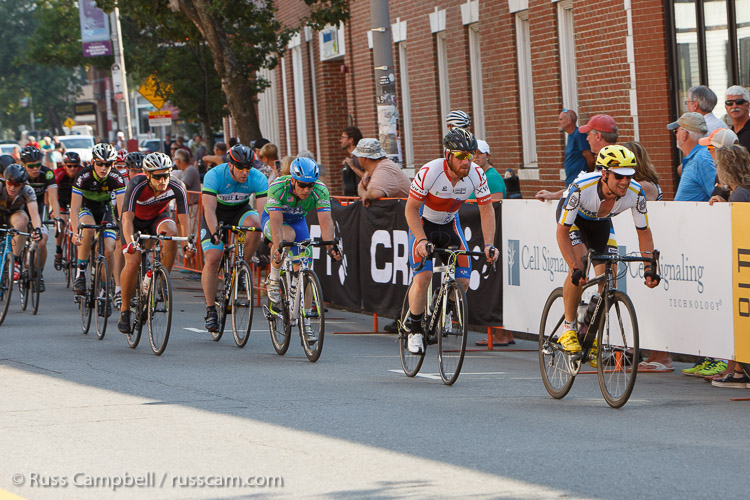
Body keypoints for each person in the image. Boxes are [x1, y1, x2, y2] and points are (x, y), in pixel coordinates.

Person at [555, 145, 660, 363]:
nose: (625, 182)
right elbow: (562, 232)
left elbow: (644, 232)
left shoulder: (636, 192)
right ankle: (568, 328)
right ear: (604, 174)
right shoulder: (581, 188)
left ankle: (589, 329)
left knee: (609, 279)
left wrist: (649, 267)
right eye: (619, 176)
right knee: (580, 265)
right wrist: (573, 265)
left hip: (601, 222)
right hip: (574, 222)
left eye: (629, 176)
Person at [404, 128, 499, 354]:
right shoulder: (430, 171)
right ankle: (415, 330)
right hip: (423, 224)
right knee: (423, 277)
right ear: (448, 155)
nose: (467, 161)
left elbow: (487, 209)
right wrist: (421, 239)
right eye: (461, 156)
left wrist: (489, 244)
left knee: (464, 280)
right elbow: (410, 209)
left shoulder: (477, 174)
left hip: (449, 225)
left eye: (470, 155)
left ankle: (443, 306)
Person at [262, 157, 341, 341]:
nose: (306, 190)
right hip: (273, 220)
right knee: (286, 237)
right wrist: (278, 247)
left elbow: (326, 220)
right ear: (293, 180)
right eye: (302, 185)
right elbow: (276, 222)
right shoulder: (278, 187)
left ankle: (306, 324)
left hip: (298, 222)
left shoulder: (320, 190)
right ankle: (274, 278)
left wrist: (330, 246)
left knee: (305, 269)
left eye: (310, 185)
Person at [117, 152, 195, 334]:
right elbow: (126, 219)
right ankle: (125, 309)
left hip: (157, 218)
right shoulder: (136, 184)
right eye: (157, 177)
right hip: (134, 222)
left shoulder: (177, 185)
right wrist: (131, 243)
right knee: (133, 262)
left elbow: (184, 219)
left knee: (171, 233)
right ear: (147, 174)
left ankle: (161, 280)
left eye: (166, 175)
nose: (162, 181)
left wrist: (187, 244)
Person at [200, 144, 268, 331]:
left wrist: (268, 234)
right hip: (216, 214)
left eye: (248, 168)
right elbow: (209, 209)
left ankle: (240, 269)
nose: (245, 172)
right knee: (213, 258)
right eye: (240, 168)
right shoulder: (214, 175)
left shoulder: (258, 177)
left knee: (256, 226)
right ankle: (210, 309)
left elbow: (263, 213)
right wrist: (215, 233)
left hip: (240, 210)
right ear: (230, 165)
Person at [705, 144, 750, 387]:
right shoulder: (740, 192)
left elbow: (738, 229)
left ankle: (740, 371)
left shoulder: (740, 193)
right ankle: (739, 369)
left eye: (718, 166)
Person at [70, 143, 127, 299]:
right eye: (100, 163)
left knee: (109, 249)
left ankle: (105, 286)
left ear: (113, 164)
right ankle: (81, 273)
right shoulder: (83, 176)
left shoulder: (116, 177)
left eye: (108, 164)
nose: (103, 168)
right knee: (87, 230)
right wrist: (75, 232)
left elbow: (122, 210)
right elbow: (74, 208)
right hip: (86, 207)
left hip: (105, 209)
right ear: (92, 162)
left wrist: (122, 228)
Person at [536, 114, 618, 201]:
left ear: (598, 136)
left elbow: (586, 190)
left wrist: (554, 195)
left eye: (588, 134)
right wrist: (554, 195)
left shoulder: (610, 161)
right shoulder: (612, 157)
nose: (587, 138)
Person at [21, 146, 60, 292]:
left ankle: (39, 273)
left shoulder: (47, 173)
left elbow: (53, 198)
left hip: (39, 208)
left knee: (42, 241)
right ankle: (17, 263)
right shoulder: (19, 173)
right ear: (24, 165)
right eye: (31, 166)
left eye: (38, 165)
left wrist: (57, 216)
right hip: (22, 208)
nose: (35, 169)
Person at [0, 164, 43, 281]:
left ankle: (15, 260)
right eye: (10, 183)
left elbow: (34, 214)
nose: (12, 187)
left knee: (22, 221)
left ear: (23, 184)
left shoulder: (27, 190)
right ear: (5, 180)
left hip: (14, 214)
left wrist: (37, 229)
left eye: (17, 184)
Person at [669, 112, 715, 201]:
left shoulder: (701, 159)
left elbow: (717, 196)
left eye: (676, 131)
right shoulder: (699, 157)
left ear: (684, 134)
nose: (675, 135)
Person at [352, 138, 410, 206]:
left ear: (363, 158)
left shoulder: (383, 169)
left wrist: (366, 194)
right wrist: (364, 194)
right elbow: (360, 188)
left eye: (358, 156)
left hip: (404, 211)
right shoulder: (370, 170)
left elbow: (374, 193)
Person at [53, 152, 83, 270]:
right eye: (69, 166)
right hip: (61, 201)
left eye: (75, 166)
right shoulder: (58, 173)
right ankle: (59, 251)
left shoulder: (82, 173)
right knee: (61, 223)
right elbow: (52, 193)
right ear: (64, 165)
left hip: (77, 201)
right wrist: (53, 210)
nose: (72, 168)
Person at [559, 109, 594, 186]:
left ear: (569, 120)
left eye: (561, 119)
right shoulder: (570, 136)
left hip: (579, 182)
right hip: (571, 181)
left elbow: (590, 158)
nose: (559, 122)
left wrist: (589, 175)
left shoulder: (578, 134)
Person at [724, 85, 750, 150]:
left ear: (748, 105)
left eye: (739, 102)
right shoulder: (729, 134)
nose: (734, 106)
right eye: (729, 103)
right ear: (726, 107)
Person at [340, 126, 363, 196]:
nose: (340, 140)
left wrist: (353, 167)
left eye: (343, 137)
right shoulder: (352, 158)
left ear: (351, 140)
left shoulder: (361, 158)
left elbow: (369, 177)